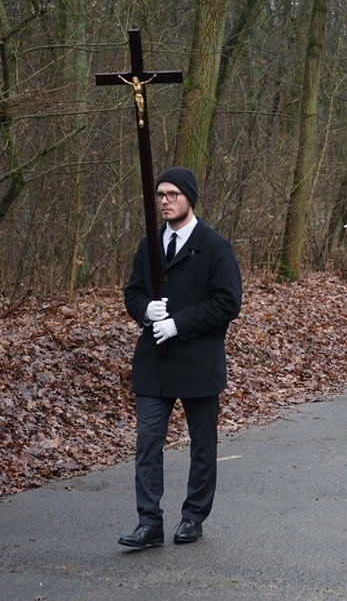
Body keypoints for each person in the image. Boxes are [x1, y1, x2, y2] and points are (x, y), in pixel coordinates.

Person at [120, 167, 243, 549]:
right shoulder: (149, 246)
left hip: (198, 361)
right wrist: (145, 311)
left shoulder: (215, 246)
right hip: (154, 363)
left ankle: (193, 517)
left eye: (172, 194)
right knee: (147, 443)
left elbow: (228, 302)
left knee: (202, 444)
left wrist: (178, 324)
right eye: (160, 195)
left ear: (189, 198)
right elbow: (133, 292)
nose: (164, 201)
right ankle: (148, 522)